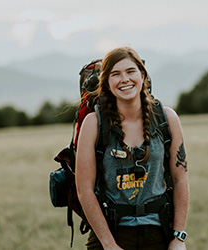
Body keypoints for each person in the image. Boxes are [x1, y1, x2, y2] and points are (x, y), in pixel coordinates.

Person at [76, 47, 189, 250]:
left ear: (143, 75)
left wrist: (178, 238)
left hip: (159, 230)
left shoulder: (166, 118)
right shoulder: (94, 123)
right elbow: (84, 190)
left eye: (130, 71)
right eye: (115, 74)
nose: (124, 79)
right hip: (111, 231)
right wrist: (109, 244)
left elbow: (180, 179)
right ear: (107, 83)